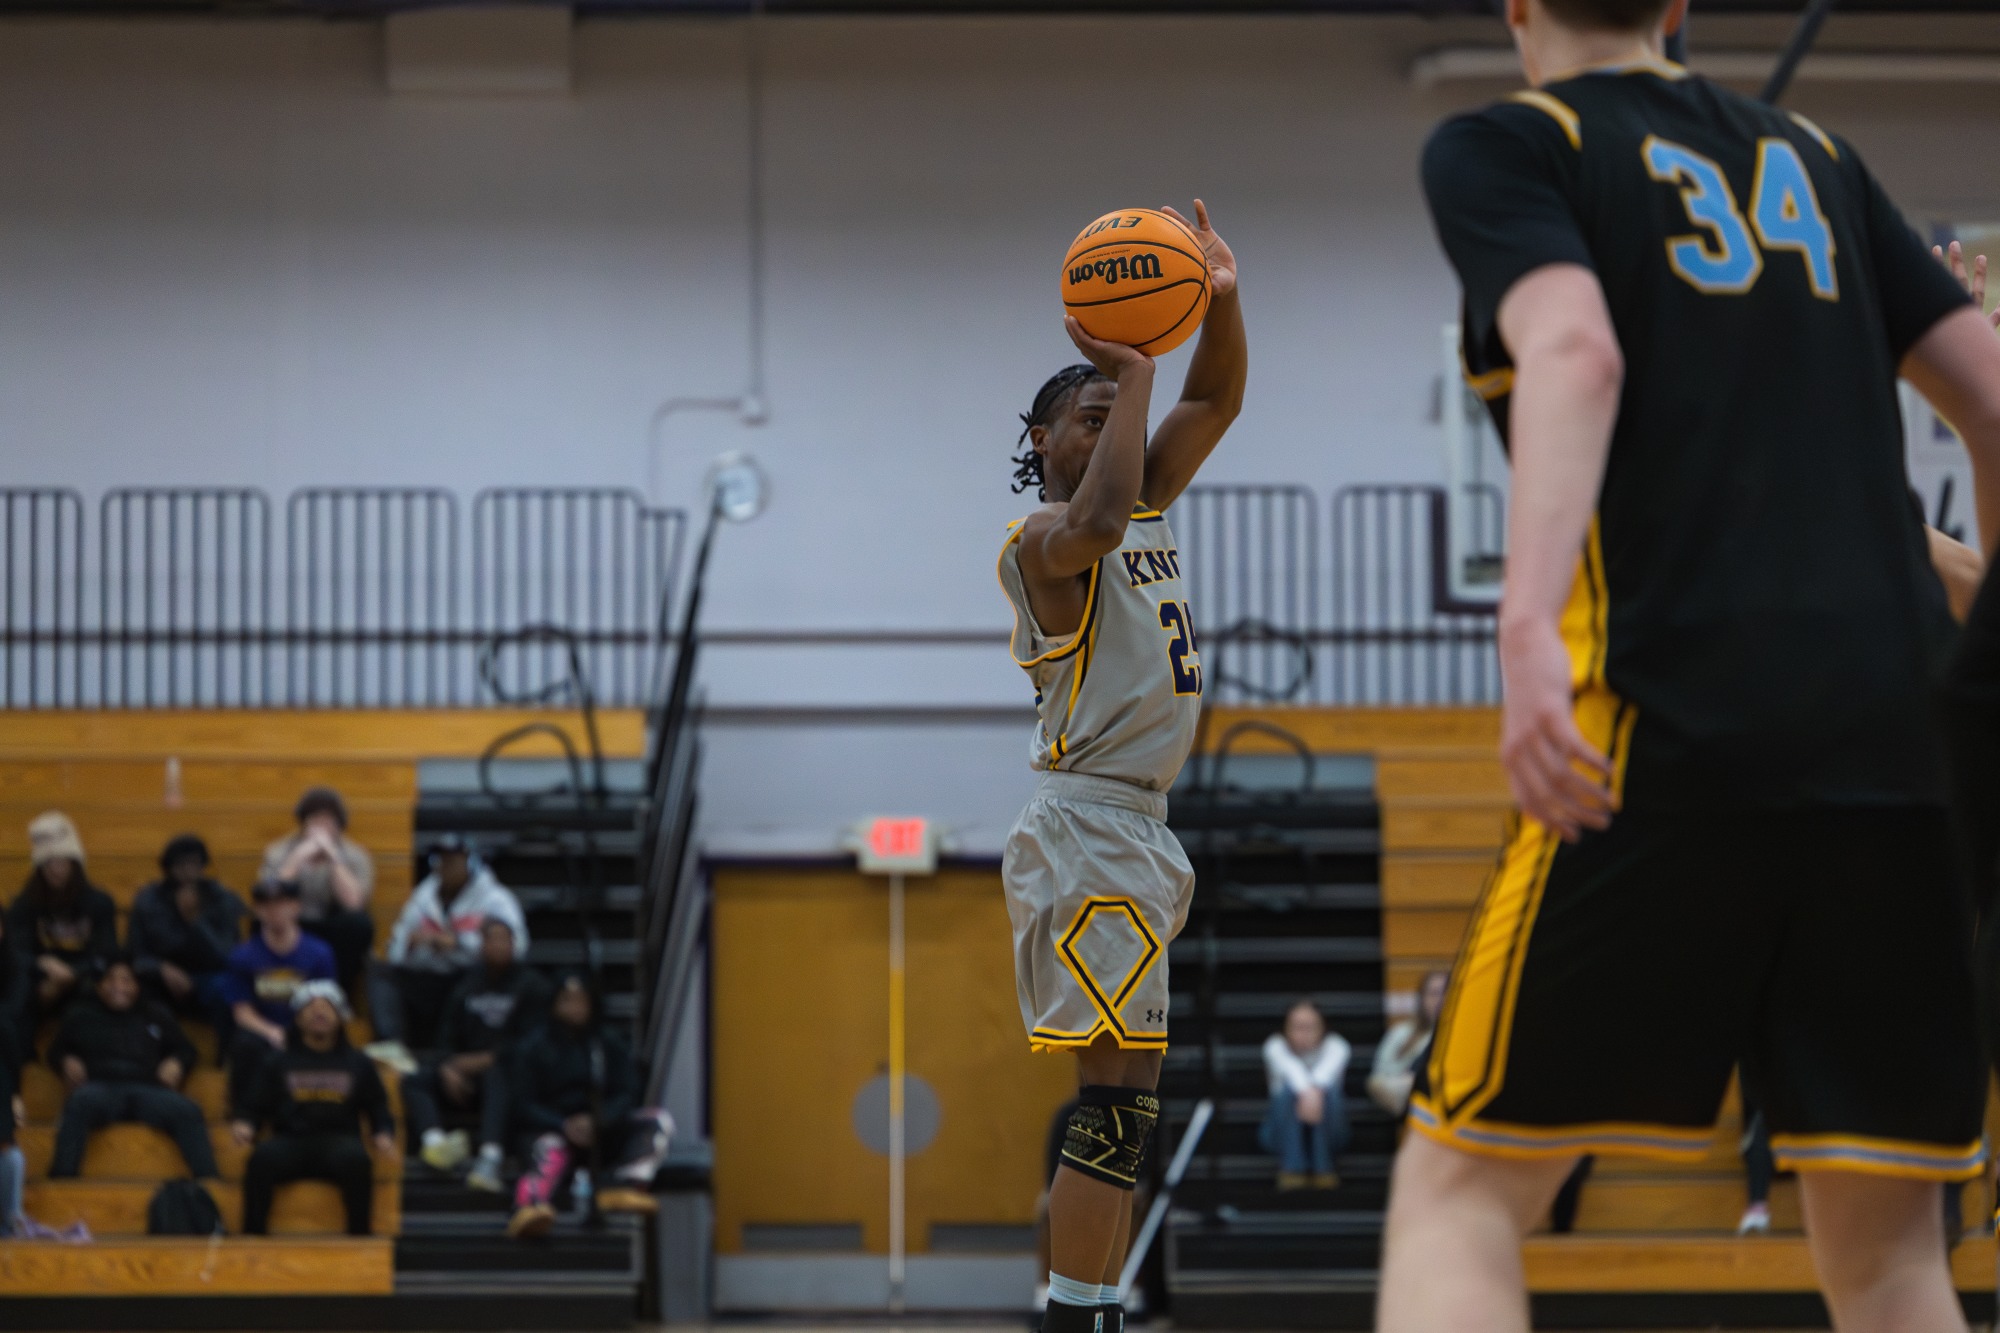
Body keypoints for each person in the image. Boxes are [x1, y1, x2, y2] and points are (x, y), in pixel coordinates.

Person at [1385, 0, 2000, 1322]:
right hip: (1904, 750)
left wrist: (1524, 625)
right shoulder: (1822, 162)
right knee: (1893, 1251)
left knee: (1461, 1195)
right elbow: (1995, 407)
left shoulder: (1513, 143)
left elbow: (1576, 348)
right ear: (1678, 8)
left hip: (1674, 719)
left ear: (1518, 8)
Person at [997, 200, 1244, 1333]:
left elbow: (1214, 397)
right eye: (1086, 418)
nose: (1110, 431)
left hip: (1140, 827)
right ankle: (1073, 1313)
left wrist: (1220, 307)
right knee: (1107, 1092)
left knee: (1126, 1103)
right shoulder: (1040, 543)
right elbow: (1094, 522)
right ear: (1041, 446)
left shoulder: (1139, 504)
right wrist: (1132, 365)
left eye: (1112, 414)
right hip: (1088, 823)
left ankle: (1086, 1304)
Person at [231, 980, 395, 1236]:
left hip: (339, 1140)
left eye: (327, 1008)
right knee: (260, 1159)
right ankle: (253, 1238)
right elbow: (253, 1103)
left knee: (358, 1161)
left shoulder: (359, 1062)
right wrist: (245, 1123)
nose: (319, 1014)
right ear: (297, 1019)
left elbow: (377, 1105)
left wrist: (383, 1131)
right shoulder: (277, 1061)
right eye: (311, 1008)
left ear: (340, 1017)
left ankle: (360, 1239)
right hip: (291, 1140)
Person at [507, 971, 662, 1239]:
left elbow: (627, 1092)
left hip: (601, 1128)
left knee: (656, 1121)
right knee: (548, 1148)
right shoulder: (533, 1047)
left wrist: (599, 1120)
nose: (574, 1008)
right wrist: (563, 1124)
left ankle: (623, 1186)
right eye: (567, 1000)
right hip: (553, 1128)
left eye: (581, 1000)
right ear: (554, 1004)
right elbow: (522, 1104)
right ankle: (531, 1206)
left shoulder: (608, 1043)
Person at [403, 918, 550, 1189]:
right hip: (465, 1076)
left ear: (513, 944)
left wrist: (487, 1059)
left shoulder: (533, 985)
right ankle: (436, 1143)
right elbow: (446, 1035)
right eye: (490, 939)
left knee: (499, 1073)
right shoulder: (468, 983)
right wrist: (448, 1065)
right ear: (481, 945)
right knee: (415, 1078)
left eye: (502, 939)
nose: (496, 946)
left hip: (512, 1077)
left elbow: (533, 1043)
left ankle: (490, 1157)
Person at [45, 953, 216, 1181]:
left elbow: (187, 1050)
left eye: (126, 980)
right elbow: (54, 1052)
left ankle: (209, 1182)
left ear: (137, 985)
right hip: (100, 1089)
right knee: (78, 1103)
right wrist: (66, 1059)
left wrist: (177, 1062)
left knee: (188, 1110)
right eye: (110, 980)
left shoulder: (155, 1013)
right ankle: (62, 1180)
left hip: (149, 1089)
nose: (119, 987)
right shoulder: (80, 1015)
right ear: (99, 986)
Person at [369, 833, 527, 1061]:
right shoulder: (423, 896)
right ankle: (391, 1047)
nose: (446, 866)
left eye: (454, 860)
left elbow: (518, 947)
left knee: (475, 984)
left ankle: (456, 1054)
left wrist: (460, 943)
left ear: (471, 862)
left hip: (471, 976)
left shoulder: (496, 899)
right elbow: (396, 949)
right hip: (429, 974)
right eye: (441, 860)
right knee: (382, 973)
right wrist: (411, 943)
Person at [224, 880, 337, 1119]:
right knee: (245, 1045)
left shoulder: (320, 953)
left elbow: (326, 1004)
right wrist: (273, 1032)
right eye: (266, 905)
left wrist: (300, 1032)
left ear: (295, 907)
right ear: (258, 910)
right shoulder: (242, 956)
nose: (274, 910)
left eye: (281, 903)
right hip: (264, 1032)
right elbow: (242, 1011)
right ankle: (243, 1118)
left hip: (306, 1029)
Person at [128, 834, 247, 1042]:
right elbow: (134, 954)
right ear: (168, 868)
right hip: (161, 978)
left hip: (209, 976)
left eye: (194, 864)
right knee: (135, 990)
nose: (188, 872)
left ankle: (225, 1058)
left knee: (229, 987)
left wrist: (195, 921)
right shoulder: (148, 901)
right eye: (181, 865)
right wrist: (160, 968)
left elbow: (228, 955)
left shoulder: (221, 899)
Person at [260, 787, 374, 992]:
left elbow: (354, 903)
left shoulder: (356, 855)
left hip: (333, 927)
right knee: (260, 921)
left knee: (359, 924)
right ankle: (280, 991)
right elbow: (269, 896)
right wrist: (297, 859)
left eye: (328, 820)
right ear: (303, 824)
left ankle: (335, 992)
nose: (321, 826)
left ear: (339, 826)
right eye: (315, 819)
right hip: (292, 925)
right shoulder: (278, 851)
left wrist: (334, 859)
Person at [8, 813, 118, 1022]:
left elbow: (108, 953)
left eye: (61, 862)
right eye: (47, 864)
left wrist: (72, 974)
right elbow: (15, 951)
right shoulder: (25, 903)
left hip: (85, 976)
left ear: (74, 865)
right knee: (17, 987)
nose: (54, 870)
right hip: (41, 976)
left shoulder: (99, 901)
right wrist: (44, 964)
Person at [1259, 999, 1351, 1189]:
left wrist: (1314, 1092)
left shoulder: (1337, 1046)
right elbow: (1292, 1072)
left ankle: (1322, 1165)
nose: (1304, 1033)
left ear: (1323, 1028)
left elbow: (1323, 1076)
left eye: (1310, 1027)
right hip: (1279, 1135)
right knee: (1289, 1092)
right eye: (1297, 1027)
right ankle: (1293, 1167)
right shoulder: (1274, 1046)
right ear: (1285, 1029)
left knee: (1328, 1094)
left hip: (1331, 1132)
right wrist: (1309, 1092)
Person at [1369, 969, 1448, 1119]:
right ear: (1422, 998)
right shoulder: (1401, 1032)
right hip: (1400, 1091)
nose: (1439, 999)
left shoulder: (1456, 1038)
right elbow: (1380, 1073)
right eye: (1433, 993)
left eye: (1445, 992)